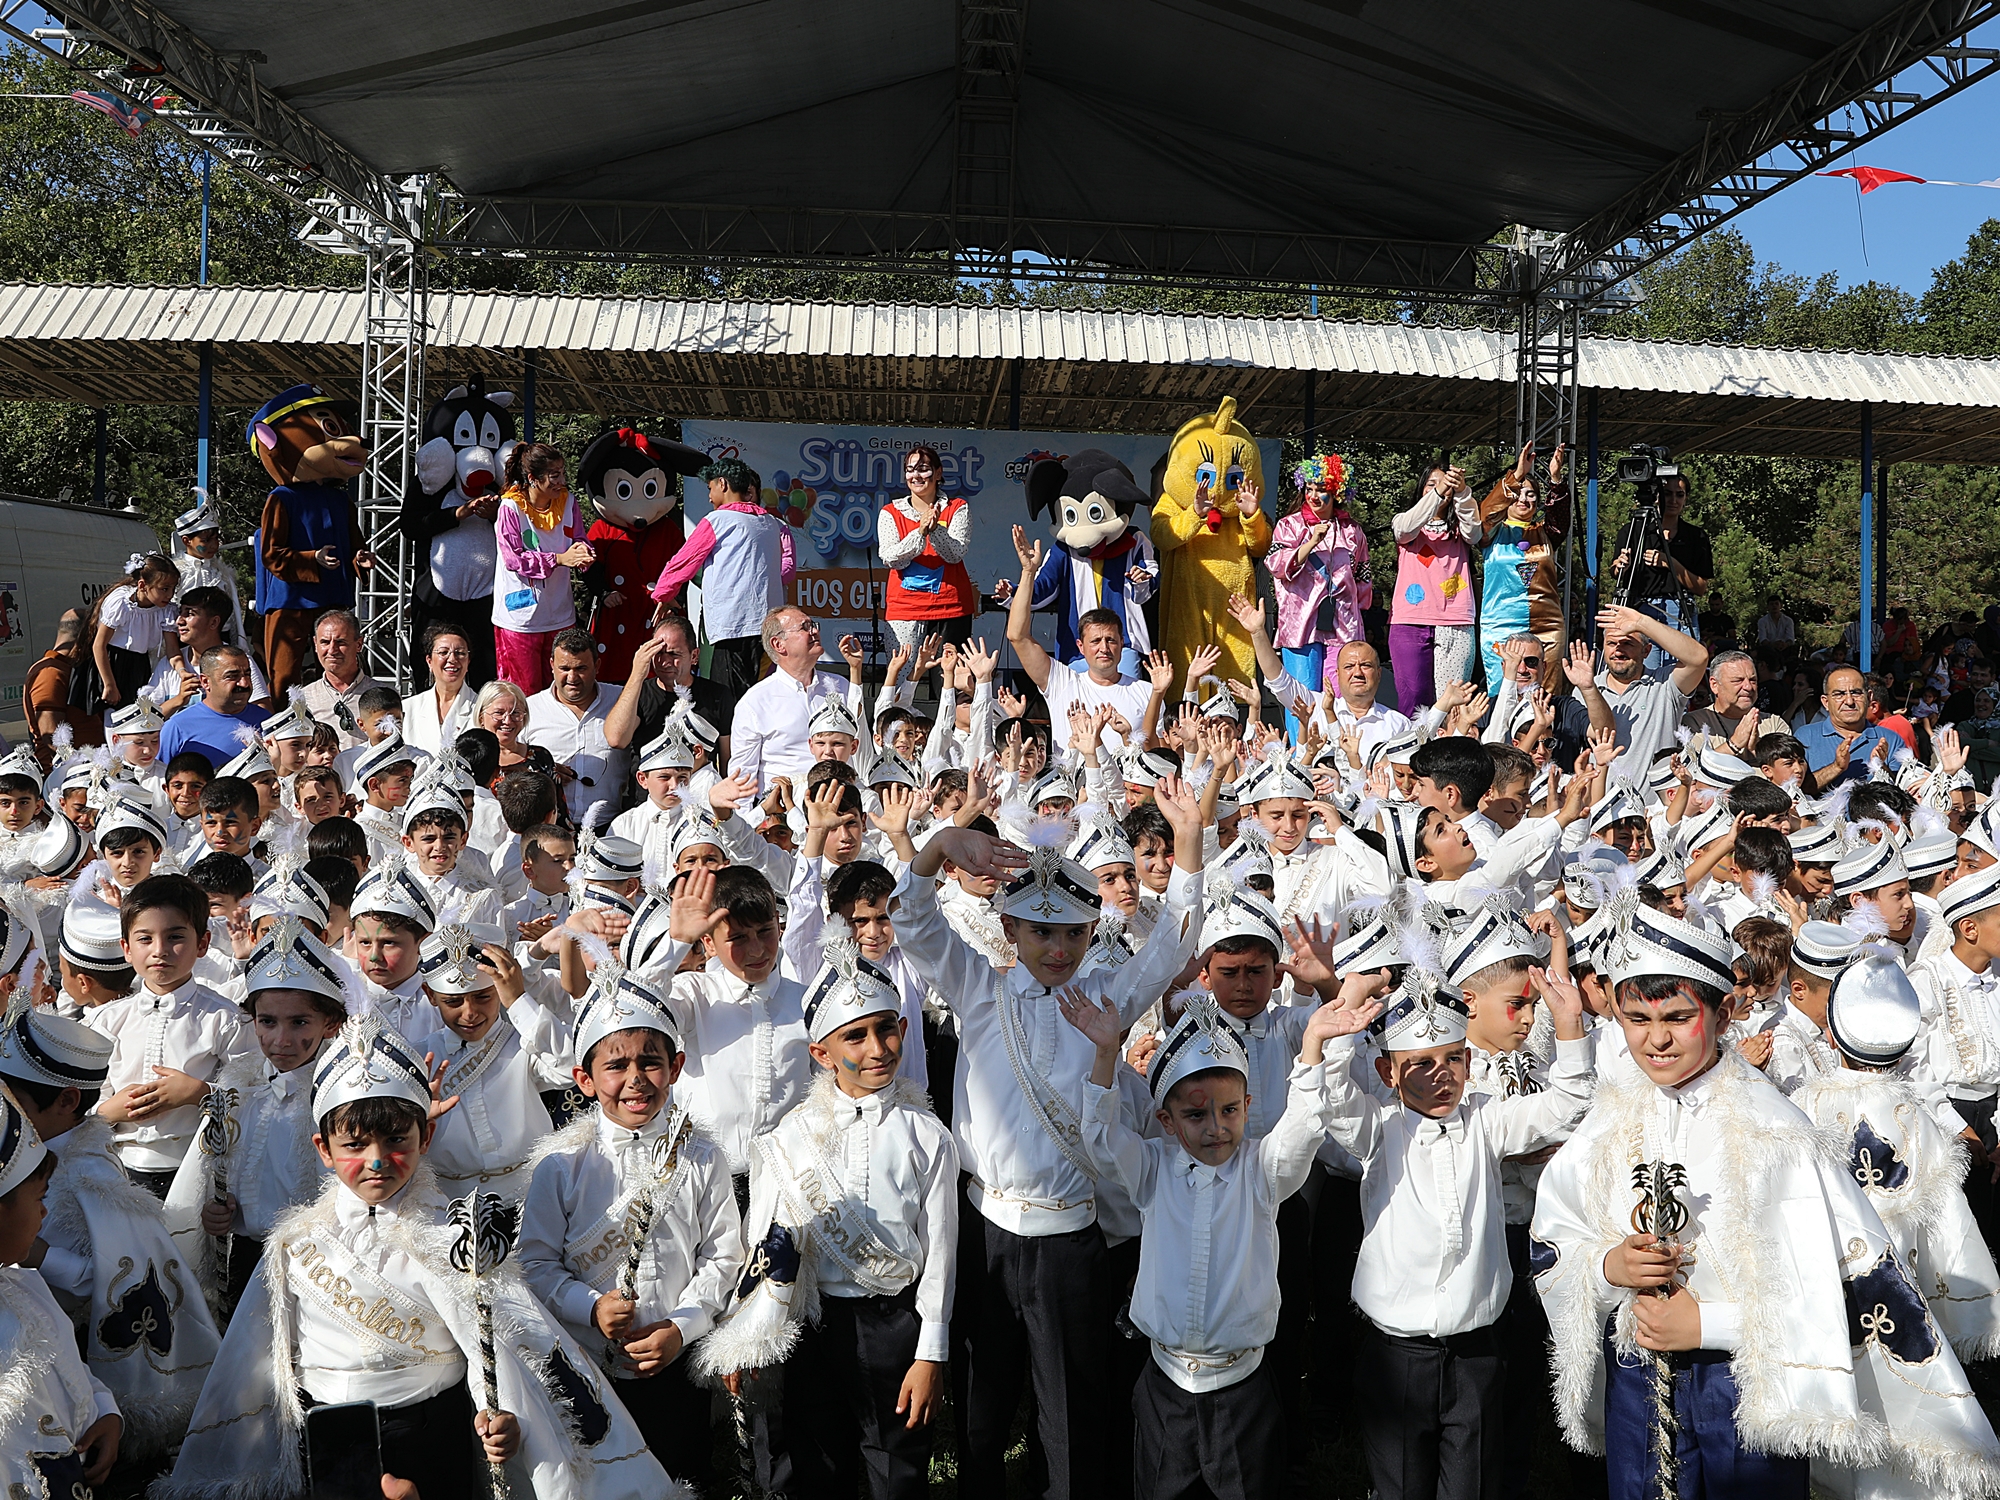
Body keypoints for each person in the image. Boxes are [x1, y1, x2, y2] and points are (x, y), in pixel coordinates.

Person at [1532, 898, 1993, 1500]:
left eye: (1678, 1017)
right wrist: (1607, 1266)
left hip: (1747, 1387)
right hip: (1639, 1375)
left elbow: (1832, 1288)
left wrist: (1707, 1323)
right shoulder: (1611, 1120)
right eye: (1637, 1019)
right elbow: (1555, 1237)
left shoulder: (1775, 1133)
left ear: (1724, 1013)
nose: (1657, 1039)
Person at [161, 1012, 675, 1500]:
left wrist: (498, 1416)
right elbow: (259, 1358)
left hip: (430, 1431)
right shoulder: (295, 1242)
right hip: (331, 1437)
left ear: (425, 1136)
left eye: (396, 1140)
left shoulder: (455, 1241)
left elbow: (495, 1348)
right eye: (354, 1145)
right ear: (324, 1149)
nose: (377, 1161)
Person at [889, 794, 1207, 1500]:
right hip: (987, 1229)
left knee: (1072, 1408)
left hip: (1070, 1235)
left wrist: (1188, 845)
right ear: (1008, 928)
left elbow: (1172, 947)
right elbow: (912, 920)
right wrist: (937, 846)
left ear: (1093, 930)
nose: (1057, 949)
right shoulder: (978, 988)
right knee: (984, 1402)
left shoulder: (1108, 996)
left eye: (1072, 934)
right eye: (1040, 932)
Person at [703, 925, 960, 1500]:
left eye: (886, 1029)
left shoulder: (928, 1137)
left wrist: (930, 1353)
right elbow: (764, 1247)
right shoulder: (789, 1138)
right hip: (813, 1328)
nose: (877, 1049)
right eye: (855, 1036)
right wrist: (747, 1333)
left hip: (894, 1325)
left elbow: (941, 1255)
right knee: (819, 1463)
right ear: (821, 1053)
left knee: (897, 1468)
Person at [0, 1091, 126, 1497]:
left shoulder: (23, 1285)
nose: (44, 1213)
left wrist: (104, 1411)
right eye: (39, 1198)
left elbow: (67, 1366)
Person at [1006, 527, 1161, 752]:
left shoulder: (1147, 692)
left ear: (1122, 643)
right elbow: (1017, 636)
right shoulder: (1061, 683)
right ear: (1080, 646)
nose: (1104, 648)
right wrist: (1028, 572)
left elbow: (1158, 752)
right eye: (1095, 641)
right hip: (1074, 776)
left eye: (1111, 640)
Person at [649, 456, 795, 695]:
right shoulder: (771, 523)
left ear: (723, 484)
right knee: (759, 693)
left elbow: (683, 561)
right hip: (767, 626)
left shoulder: (717, 520)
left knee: (727, 697)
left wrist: (663, 595)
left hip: (732, 625)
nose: (709, 497)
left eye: (710, 488)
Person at [1269, 453, 1371, 732]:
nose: (1313, 496)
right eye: (1309, 488)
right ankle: (1301, 752)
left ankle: (1344, 751)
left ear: (1336, 491)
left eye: (1321, 489)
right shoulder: (1289, 526)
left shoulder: (1352, 531)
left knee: (1342, 699)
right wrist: (1311, 542)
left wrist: (1358, 612)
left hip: (1343, 628)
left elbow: (1363, 576)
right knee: (1302, 699)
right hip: (1301, 628)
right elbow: (1276, 565)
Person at [493, 440, 593, 697]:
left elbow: (578, 537)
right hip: (520, 620)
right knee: (523, 693)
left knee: (560, 692)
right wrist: (558, 559)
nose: (561, 481)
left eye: (562, 473)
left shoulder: (568, 503)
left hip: (560, 613)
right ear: (533, 479)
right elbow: (514, 559)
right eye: (554, 475)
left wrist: (584, 552)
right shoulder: (511, 507)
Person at [728, 606, 855, 791]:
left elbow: (860, 749)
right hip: (785, 804)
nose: (815, 631)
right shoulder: (755, 702)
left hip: (841, 798)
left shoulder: (841, 686)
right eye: (805, 627)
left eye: (813, 625)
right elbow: (742, 776)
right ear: (779, 644)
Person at [1475, 442, 1568, 692]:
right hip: (1501, 623)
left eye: (1531, 494)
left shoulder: (1547, 533)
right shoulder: (1491, 533)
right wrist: (1517, 475)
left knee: (1546, 694)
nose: (1524, 499)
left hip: (1546, 625)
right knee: (1503, 691)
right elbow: (1486, 514)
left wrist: (1556, 477)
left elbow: (1560, 515)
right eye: (1518, 493)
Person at [1389, 462, 1480, 714]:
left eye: (1446, 485)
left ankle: (1449, 742)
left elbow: (1474, 533)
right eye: (1431, 484)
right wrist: (1438, 492)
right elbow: (1404, 530)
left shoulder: (1460, 527)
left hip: (1456, 620)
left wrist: (1463, 493)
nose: (1440, 489)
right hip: (1410, 621)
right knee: (1413, 701)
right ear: (1421, 490)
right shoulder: (1404, 521)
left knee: (1451, 704)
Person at [1608, 466, 1713, 675]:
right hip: (1641, 609)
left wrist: (1670, 563)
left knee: (1683, 674)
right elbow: (1615, 572)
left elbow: (1701, 587)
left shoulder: (1696, 536)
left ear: (1686, 498)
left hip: (1679, 610)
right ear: (1656, 496)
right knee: (1647, 675)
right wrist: (1620, 566)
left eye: (1679, 494)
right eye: (1667, 494)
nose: (1673, 500)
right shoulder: (1633, 530)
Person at [878, 443, 978, 652]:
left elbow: (955, 554)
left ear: (938, 473)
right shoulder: (890, 512)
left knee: (949, 672)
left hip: (951, 608)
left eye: (923, 469)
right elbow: (889, 558)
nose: (916, 475)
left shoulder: (957, 507)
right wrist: (919, 532)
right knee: (901, 671)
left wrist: (935, 529)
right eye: (910, 470)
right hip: (904, 610)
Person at [1592, 604, 1709, 782]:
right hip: (1600, 799)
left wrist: (1641, 622)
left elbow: (1699, 658)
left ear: (1646, 651)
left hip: (1655, 799)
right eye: (1611, 643)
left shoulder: (1665, 684)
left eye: (1627, 643)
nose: (1618, 650)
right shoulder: (1587, 688)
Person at [524, 629, 628, 824]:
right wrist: (540, 770)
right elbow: (506, 762)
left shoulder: (622, 701)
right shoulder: (530, 709)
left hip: (610, 827)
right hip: (549, 829)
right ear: (552, 665)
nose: (572, 678)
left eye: (581, 668)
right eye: (564, 668)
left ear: (597, 666)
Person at [603, 616, 735, 769]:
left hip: (699, 783)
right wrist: (636, 675)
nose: (665, 662)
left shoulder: (718, 695)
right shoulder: (638, 692)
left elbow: (728, 760)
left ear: (694, 656)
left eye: (674, 654)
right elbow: (616, 739)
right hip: (647, 783)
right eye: (659, 653)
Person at [148, 585, 271, 716]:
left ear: (214, 622)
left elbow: (264, 713)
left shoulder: (240, 662)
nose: (179, 621)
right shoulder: (168, 665)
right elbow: (146, 718)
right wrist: (178, 700)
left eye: (190, 613)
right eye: (180, 612)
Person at [83, 552, 180, 714]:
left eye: (173, 589)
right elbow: (99, 645)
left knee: (137, 715)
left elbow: (172, 649)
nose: (170, 595)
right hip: (112, 665)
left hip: (140, 666)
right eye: (164, 589)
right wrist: (109, 684)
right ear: (142, 585)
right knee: (111, 716)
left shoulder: (165, 610)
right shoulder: (122, 604)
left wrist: (182, 671)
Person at [156, 646, 271, 772]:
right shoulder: (177, 727)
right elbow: (157, 777)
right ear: (205, 682)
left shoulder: (266, 721)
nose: (244, 683)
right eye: (232, 676)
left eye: (247, 674)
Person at [1796, 664, 1903, 792]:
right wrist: (1836, 767)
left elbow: (1903, 791)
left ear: (1869, 697)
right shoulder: (1805, 737)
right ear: (1826, 702)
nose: (1849, 701)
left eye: (1856, 693)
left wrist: (1881, 767)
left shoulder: (1891, 740)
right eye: (1839, 694)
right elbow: (1796, 790)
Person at [292, 610, 381, 751]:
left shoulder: (383, 694)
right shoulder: (303, 698)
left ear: (359, 644)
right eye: (325, 642)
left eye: (340, 642)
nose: (332, 650)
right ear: (315, 644)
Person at [25, 609, 104, 767]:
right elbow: (53, 738)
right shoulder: (50, 673)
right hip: (70, 773)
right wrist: (77, 771)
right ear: (87, 638)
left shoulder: (67, 669)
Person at [1683, 648, 1790, 750]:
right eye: (1738, 680)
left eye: (1753, 680)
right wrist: (1734, 745)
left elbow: (1788, 761)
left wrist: (1756, 749)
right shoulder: (1696, 723)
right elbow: (1694, 762)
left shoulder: (1773, 724)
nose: (1748, 687)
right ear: (1715, 685)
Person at [400, 621, 479, 753]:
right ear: (429, 661)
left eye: (460, 653)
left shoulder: (482, 708)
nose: (452, 659)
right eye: (443, 652)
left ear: (468, 661)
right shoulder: (407, 709)